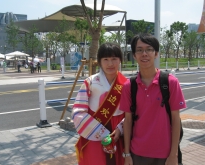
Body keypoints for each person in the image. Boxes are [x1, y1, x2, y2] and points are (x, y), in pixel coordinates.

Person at [119, 33, 186, 165]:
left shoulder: (170, 82)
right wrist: (127, 154)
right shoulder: (129, 86)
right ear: (134, 55)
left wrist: (173, 155)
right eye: (139, 50)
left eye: (149, 49)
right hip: (137, 153)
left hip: (165, 155)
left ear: (156, 53)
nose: (144, 54)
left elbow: (175, 120)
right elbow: (127, 121)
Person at [72, 43, 127, 165]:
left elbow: (132, 112)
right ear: (100, 61)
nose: (110, 63)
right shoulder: (90, 82)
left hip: (117, 132)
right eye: (105, 59)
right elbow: (78, 111)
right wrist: (101, 133)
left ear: (120, 60)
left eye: (114, 59)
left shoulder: (126, 84)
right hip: (94, 130)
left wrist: (121, 128)